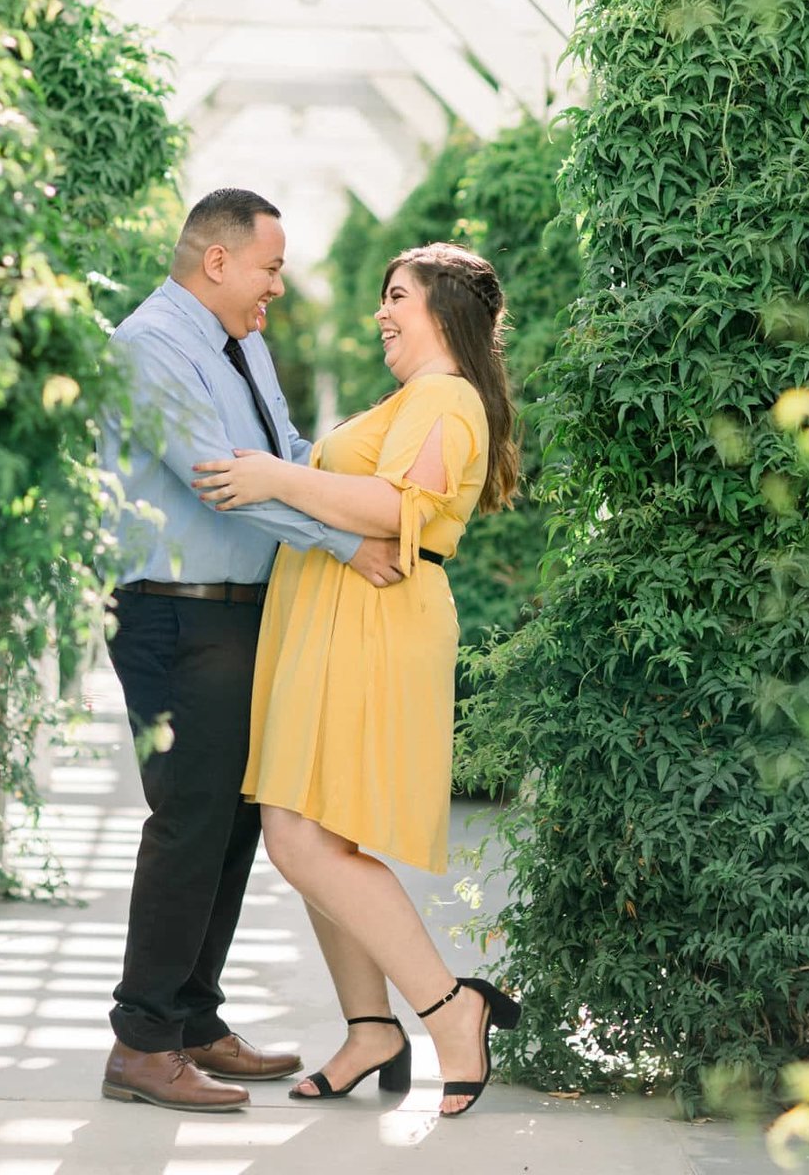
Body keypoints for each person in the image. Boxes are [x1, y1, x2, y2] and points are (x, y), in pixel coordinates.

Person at [193, 241, 522, 1118]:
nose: (382, 311)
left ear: (445, 310)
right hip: (341, 617)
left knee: (299, 836)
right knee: (319, 834)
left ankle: (453, 1011)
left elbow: (392, 510)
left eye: (398, 296)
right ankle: (371, 1028)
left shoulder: (447, 399)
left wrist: (274, 477)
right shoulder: (420, 397)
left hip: (375, 621)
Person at [98, 188, 403, 1114]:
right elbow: (221, 482)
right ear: (217, 260)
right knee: (190, 818)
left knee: (232, 821)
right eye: (269, 267)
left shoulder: (245, 342)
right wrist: (350, 541)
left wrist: (369, 491)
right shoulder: (149, 345)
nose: (278, 285)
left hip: (240, 613)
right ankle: (141, 1043)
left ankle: (192, 1020)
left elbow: (284, 453)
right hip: (172, 612)